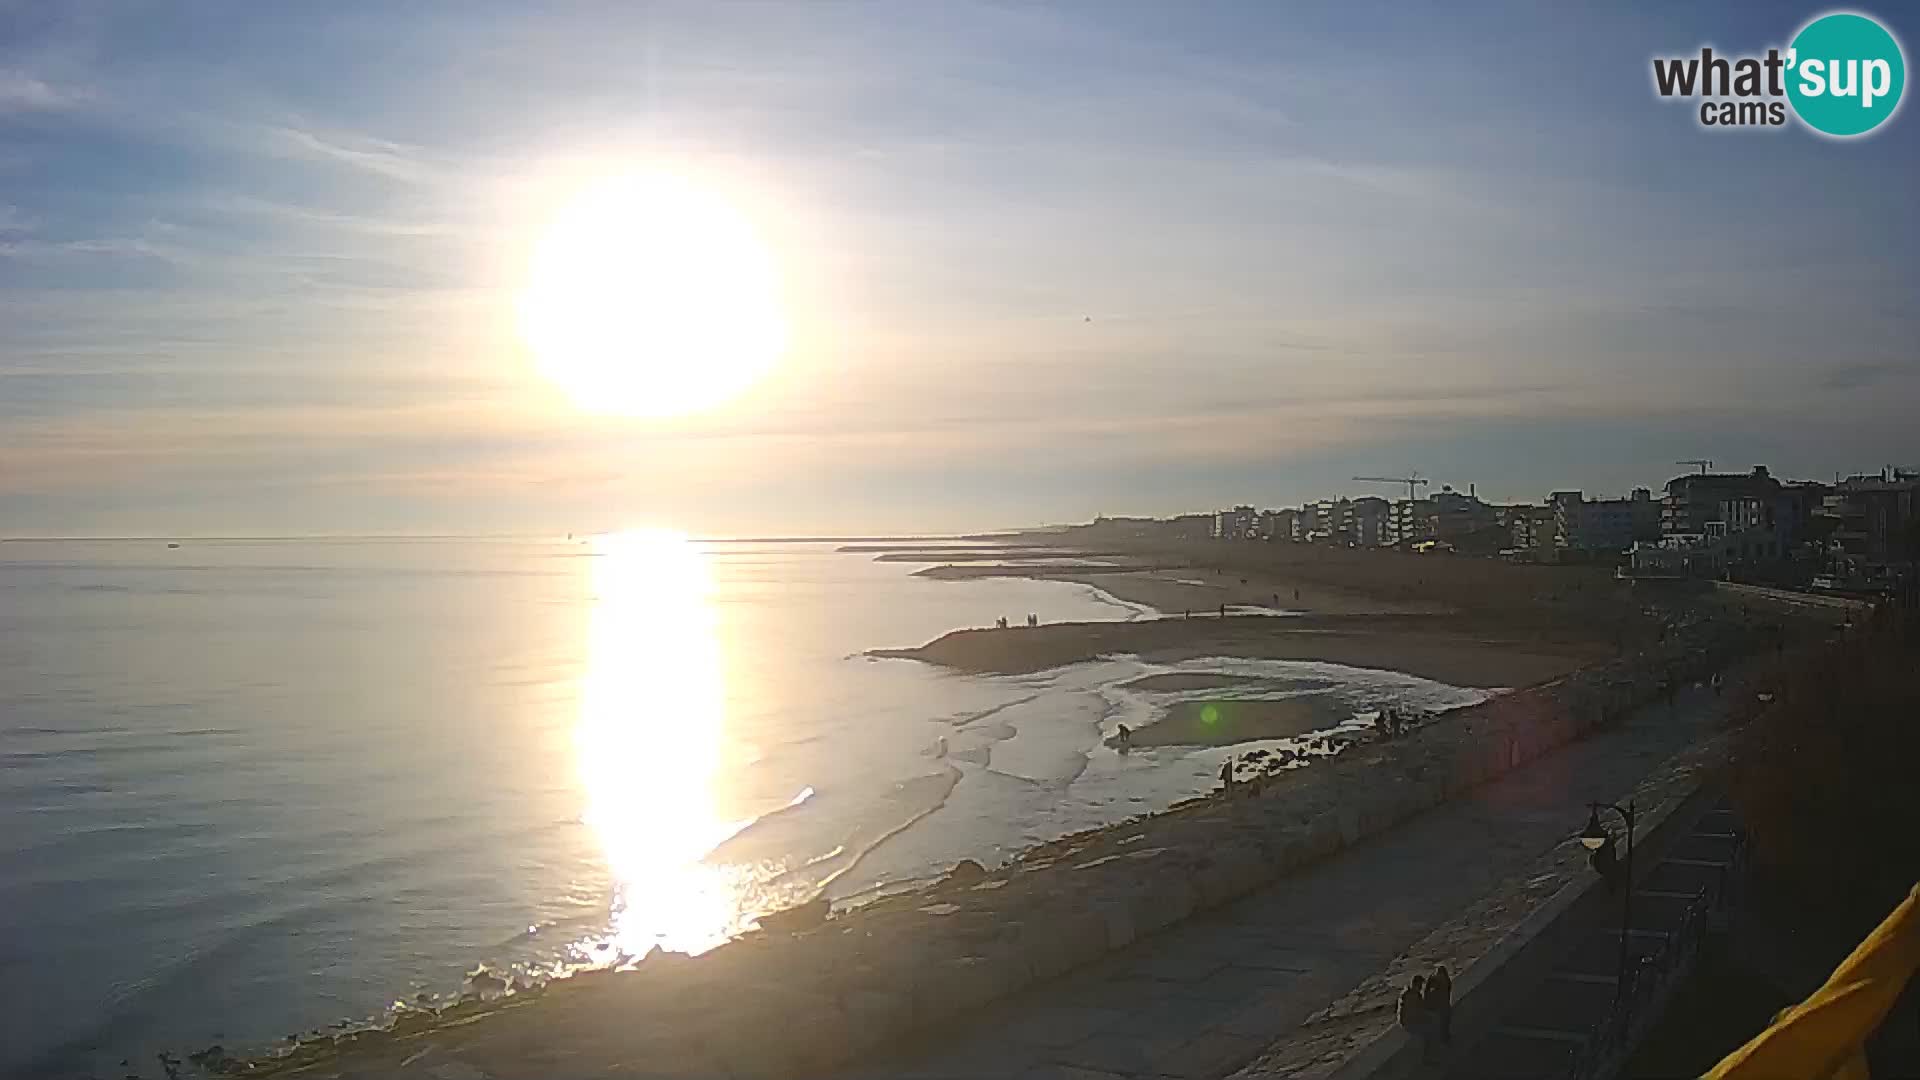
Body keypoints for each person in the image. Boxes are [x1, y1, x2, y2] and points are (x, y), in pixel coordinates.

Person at [1425, 966, 1453, 1046]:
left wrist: (1429, 982)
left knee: (1442, 1022)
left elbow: (1428, 993)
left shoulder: (1438, 982)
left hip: (1440, 1007)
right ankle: (1445, 1037)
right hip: (1445, 1006)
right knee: (1445, 1022)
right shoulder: (1447, 982)